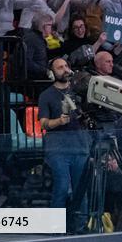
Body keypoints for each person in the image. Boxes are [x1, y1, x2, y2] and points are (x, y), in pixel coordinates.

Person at [38, 58, 92, 211]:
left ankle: (80, 227)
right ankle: (58, 226)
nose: (65, 69)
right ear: (52, 73)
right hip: (58, 150)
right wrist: (59, 122)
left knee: (80, 190)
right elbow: (43, 123)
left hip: (80, 147)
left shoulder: (80, 91)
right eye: (60, 67)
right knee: (61, 187)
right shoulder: (46, 95)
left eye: (66, 66)